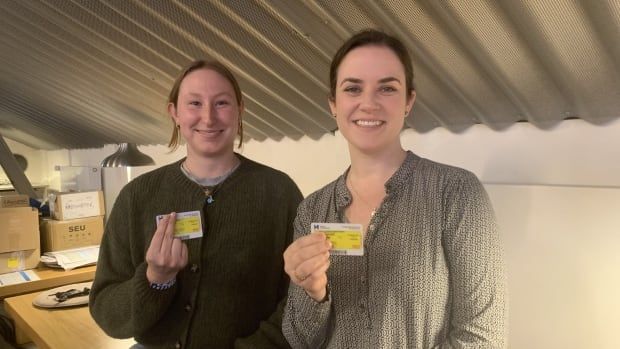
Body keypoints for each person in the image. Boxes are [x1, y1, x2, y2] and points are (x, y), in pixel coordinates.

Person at [282, 29, 507, 348]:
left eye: (387, 88)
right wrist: (312, 292)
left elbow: (483, 335)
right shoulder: (312, 209)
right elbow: (299, 338)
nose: (368, 103)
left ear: (408, 101)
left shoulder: (456, 193)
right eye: (353, 89)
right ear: (334, 104)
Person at [89, 59, 303, 349]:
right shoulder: (136, 196)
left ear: (240, 109)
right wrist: (155, 279)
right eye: (194, 104)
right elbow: (107, 312)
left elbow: (300, 298)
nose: (208, 117)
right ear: (174, 112)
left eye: (222, 103)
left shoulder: (280, 193)